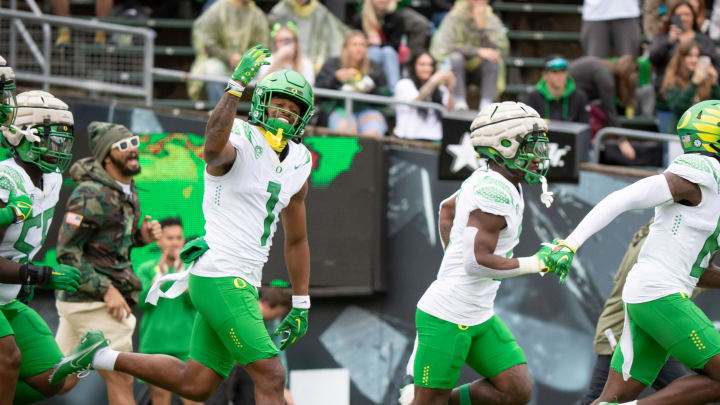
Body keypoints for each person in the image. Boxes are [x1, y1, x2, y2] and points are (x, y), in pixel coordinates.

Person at [51, 45, 315, 405]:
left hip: (245, 278)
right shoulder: (238, 135)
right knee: (271, 374)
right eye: (279, 103)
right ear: (262, 102)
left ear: (304, 116)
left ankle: (97, 356)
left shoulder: (300, 161)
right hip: (220, 273)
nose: (285, 112)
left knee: (196, 384)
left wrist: (301, 300)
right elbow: (211, 148)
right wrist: (235, 86)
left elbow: (297, 239)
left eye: (294, 107)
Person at [543, 99, 720, 405]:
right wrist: (571, 243)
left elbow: (696, 269)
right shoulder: (703, 168)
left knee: (610, 399)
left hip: (651, 292)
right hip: (659, 294)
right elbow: (626, 197)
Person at [400, 101, 570, 405]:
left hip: (479, 312)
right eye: (530, 146)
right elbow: (477, 262)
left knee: (515, 391)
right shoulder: (494, 190)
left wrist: (451, 263)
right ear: (503, 146)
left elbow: (447, 209)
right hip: (448, 315)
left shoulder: (499, 180)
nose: (539, 156)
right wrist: (538, 263)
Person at [53, 121, 162, 405]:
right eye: (123, 146)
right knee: (122, 377)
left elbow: (112, 244)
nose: (133, 150)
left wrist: (141, 236)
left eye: (134, 142)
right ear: (106, 155)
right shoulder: (89, 194)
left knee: (59, 382)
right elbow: (67, 252)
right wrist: (106, 290)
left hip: (87, 299)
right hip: (94, 303)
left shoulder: (127, 188)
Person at [0, 84, 83, 404]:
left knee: (52, 380)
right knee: (8, 359)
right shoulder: (6, 178)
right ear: (22, 135)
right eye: (52, 138)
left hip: (7, 296)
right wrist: (40, 275)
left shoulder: (53, 179)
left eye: (64, 139)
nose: (59, 147)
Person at [572, 221, 693, 405]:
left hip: (646, 332)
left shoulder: (656, 234)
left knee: (687, 395)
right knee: (599, 399)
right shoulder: (662, 243)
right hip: (625, 332)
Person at [136, 218, 202, 405]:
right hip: (155, 345)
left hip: (188, 346)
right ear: (159, 241)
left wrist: (183, 275)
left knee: (193, 399)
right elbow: (143, 303)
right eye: (170, 237)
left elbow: (195, 304)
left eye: (179, 238)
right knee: (160, 399)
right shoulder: (146, 269)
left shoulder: (193, 269)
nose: (175, 242)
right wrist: (160, 275)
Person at [649, 1, 719, 133]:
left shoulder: (703, 40)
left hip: (700, 105)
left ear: (694, 16)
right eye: (679, 14)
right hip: (667, 101)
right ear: (673, 17)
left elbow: (713, 63)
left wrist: (711, 78)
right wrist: (669, 41)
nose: (683, 18)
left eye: (687, 14)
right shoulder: (665, 38)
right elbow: (653, 58)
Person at [430, 0, 509, 111]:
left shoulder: (492, 19)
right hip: (456, 69)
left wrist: (481, 28)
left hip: (480, 70)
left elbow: (498, 51)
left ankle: (486, 104)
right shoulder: (454, 16)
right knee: (456, 58)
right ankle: (459, 103)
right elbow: (444, 47)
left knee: (493, 60)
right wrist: (476, 51)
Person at [224, 283, 295, 405]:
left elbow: (278, 352)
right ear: (267, 305)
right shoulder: (243, 311)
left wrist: (283, 386)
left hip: (251, 369)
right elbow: (231, 337)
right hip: (227, 365)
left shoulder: (274, 324)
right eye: (277, 314)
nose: (277, 318)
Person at [188, 0, 271, 102]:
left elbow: (262, 45)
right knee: (212, 69)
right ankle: (218, 111)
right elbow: (208, 43)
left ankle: (256, 113)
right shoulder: (216, 9)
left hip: (249, 64)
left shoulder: (257, 14)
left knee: (267, 69)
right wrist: (228, 57)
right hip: (223, 62)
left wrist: (245, 59)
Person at [316, 30, 390, 136]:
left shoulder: (374, 67)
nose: (359, 48)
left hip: (367, 109)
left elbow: (386, 97)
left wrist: (370, 88)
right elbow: (318, 92)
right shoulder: (332, 64)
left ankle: (368, 153)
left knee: (373, 130)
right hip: (339, 109)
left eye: (363, 45)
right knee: (347, 129)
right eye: (355, 44)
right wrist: (335, 78)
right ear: (346, 47)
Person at [569, 55, 637, 159]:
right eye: (633, 74)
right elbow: (609, 110)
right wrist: (622, 141)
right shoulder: (605, 76)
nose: (634, 78)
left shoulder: (605, 69)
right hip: (568, 99)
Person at [352, 0, 431, 89]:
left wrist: (380, 42)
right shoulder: (360, 18)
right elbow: (353, 41)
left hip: (390, 54)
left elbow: (395, 45)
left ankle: (394, 90)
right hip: (366, 55)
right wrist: (367, 42)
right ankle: (368, 86)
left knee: (388, 51)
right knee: (374, 51)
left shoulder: (396, 17)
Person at [268, 0, 348, 73]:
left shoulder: (320, 12)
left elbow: (324, 41)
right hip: (283, 62)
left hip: (311, 64)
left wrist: (319, 62)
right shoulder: (280, 11)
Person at [393, 51, 455, 141]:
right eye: (422, 64)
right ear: (413, 66)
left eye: (430, 65)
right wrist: (434, 80)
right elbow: (416, 101)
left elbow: (450, 111)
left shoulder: (441, 89)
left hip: (435, 139)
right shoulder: (404, 84)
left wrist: (451, 88)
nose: (427, 68)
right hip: (407, 139)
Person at [662, 40, 720, 131]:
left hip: (704, 133)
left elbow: (716, 107)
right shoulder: (673, 79)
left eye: (697, 56)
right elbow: (678, 108)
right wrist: (694, 83)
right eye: (690, 56)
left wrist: (714, 82)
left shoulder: (704, 78)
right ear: (681, 58)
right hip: (681, 134)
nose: (694, 60)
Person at [523, 55, 590, 123]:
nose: (560, 75)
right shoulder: (533, 97)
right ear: (544, 75)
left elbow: (585, 127)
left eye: (563, 71)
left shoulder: (579, 96)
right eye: (554, 71)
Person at [256, 22, 315, 86]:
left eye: (287, 40)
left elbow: (310, 89)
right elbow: (261, 84)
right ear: (275, 44)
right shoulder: (268, 60)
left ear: (296, 42)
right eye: (280, 41)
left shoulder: (306, 63)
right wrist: (278, 59)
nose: (284, 44)